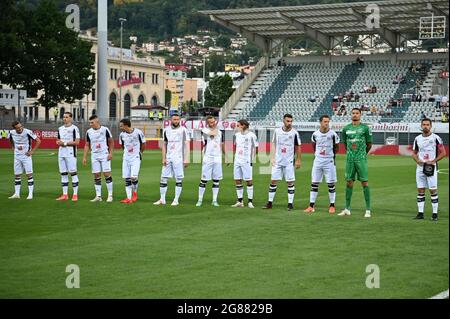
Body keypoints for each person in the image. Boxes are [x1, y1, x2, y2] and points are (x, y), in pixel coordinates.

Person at [338, 108, 373, 218]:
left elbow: (369, 144)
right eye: (353, 113)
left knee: (364, 183)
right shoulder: (346, 129)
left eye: (357, 113)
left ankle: (368, 210)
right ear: (351, 114)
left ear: (360, 115)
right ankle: (347, 209)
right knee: (349, 182)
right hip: (350, 159)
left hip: (361, 159)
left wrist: (363, 154)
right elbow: (345, 144)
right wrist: (351, 154)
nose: (355, 115)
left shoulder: (365, 128)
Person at [262, 114, 301, 211]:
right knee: (273, 181)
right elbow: (273, 143)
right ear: (283, 121)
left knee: (290, 182)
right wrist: (272, 157)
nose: (289, 123)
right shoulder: (277, 131)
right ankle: (270, 203)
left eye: (291, 121)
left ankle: (290, 204)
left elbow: (298, 146)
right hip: (278, 161)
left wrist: (298, 159)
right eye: (288, 121)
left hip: (289, 161)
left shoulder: (294, 133)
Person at [304, 115, 340, 214]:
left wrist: (331, 156)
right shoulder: (315, 134)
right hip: (318, 161)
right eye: (325, 121)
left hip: (329, 161)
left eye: (328, 121)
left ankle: (332, 205)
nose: (327, 123)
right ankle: (311, 206)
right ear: (320, 122)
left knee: (331, 184)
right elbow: (314, 146)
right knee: (314, 183)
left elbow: (337, 147)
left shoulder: (333, 134)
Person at [412, 119, 446, 221]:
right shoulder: (417, 139)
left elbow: (443, 152)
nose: (425, 126)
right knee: (420, 190)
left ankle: (434, 214)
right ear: (421, 126)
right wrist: (417, 160)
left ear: (431, 126)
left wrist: (434, 161)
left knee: (433, 191)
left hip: (431, 167)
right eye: (424, 124)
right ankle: (420, 213)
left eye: (427, 125)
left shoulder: (436, 138)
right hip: (420, 168)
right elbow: (414, 153)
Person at [154, 113, 190, 206]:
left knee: (178, 179)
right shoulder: (166, 130)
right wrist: (163, 158)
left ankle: (176, 200)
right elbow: (164, 145)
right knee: (163, 178)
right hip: (168, 158)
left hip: (179, 158)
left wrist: (187, 158)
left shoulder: (183, 130)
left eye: (178, 119)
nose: (176, 121)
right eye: (174, 119)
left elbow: (187, 145)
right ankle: (162, 199)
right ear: (171, 120)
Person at [82, 115, 114, 202]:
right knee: (96, 175)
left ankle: (110, 195)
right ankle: (98, 196)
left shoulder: (105, 130)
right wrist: (84, 157)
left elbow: (111, 142)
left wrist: (111, 153)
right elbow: (87, 144)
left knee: (107, 174)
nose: (90, 124)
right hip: (94, 155)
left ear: (97, 122)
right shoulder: (88, 132)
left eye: (92, 122)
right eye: (90, 122)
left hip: (104, 154)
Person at [7, 121, 41, 199]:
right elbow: (10, 140)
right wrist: (12, 147)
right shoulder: (11, 133)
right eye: (17, 128)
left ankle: (30, 194)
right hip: (17, 157)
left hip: (26, 156)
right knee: (17, 175)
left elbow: (38, 141)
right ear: (14, 128)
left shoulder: (28, 132)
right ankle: (16, 194)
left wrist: (32, 151)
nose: (20, 128)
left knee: (29, 175)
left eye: (20, 126)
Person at [196, 115, 224, 207]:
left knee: (216, 180)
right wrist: (217, 126)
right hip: (208, 157)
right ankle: (200, 200)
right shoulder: (204, 130)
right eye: (210, 122)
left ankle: (214, 200)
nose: (212, 123)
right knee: (203, 180)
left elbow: (221, 144)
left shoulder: (220, 132)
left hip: (217, 158)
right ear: (207, 123)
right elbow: (213, 134)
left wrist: (226, 155)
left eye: (213, 121)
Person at [231, 119, 258, 209]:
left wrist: (251, 158)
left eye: (238, 125)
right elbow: (236, 147)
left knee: (248, 180)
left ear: (243, 125)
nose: (237, 127)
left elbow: (256, 147)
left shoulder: (252, 135)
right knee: (237, 180)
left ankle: (250, 201)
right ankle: (240, 201)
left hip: (246, 160)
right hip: (237, 160)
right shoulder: (237, 135)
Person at [119, 118, 146, 204]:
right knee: (127, 178)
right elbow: (122, 146)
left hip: (136, 158)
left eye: (121, 126)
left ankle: (134, 193)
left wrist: (140, 153)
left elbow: (143, 144)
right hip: (126, 158)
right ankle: (129, 198)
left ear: (126, 125)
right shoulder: (122, 135)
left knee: (134, 178)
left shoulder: (138, 132)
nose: (120, 127)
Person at [55, 112, 81, 201]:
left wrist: (64, 143)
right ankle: (65, 195)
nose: (64, 119)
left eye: (66, 117)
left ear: (71, 118)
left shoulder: (74, 128)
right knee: (63, 174)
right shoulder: (60, 128)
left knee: (73, 173)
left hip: (70, 153)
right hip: (61, 153)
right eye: (63, 117)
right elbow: (58, 139)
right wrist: (58, 142)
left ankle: (75, 195)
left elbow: (77, 142)